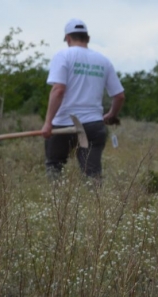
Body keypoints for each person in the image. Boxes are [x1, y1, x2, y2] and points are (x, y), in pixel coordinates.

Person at [41, 19, 125, 179]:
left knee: (55, 166)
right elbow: (119, 95)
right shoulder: (103, 60)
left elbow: (58, 90)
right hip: (93, 124)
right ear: (88, 38)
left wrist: (47, 123)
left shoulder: (63, 55)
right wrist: (111, 115)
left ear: (68, 38)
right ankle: (97, 203)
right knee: (92, 173)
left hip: (63, 125)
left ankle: (56, 202)